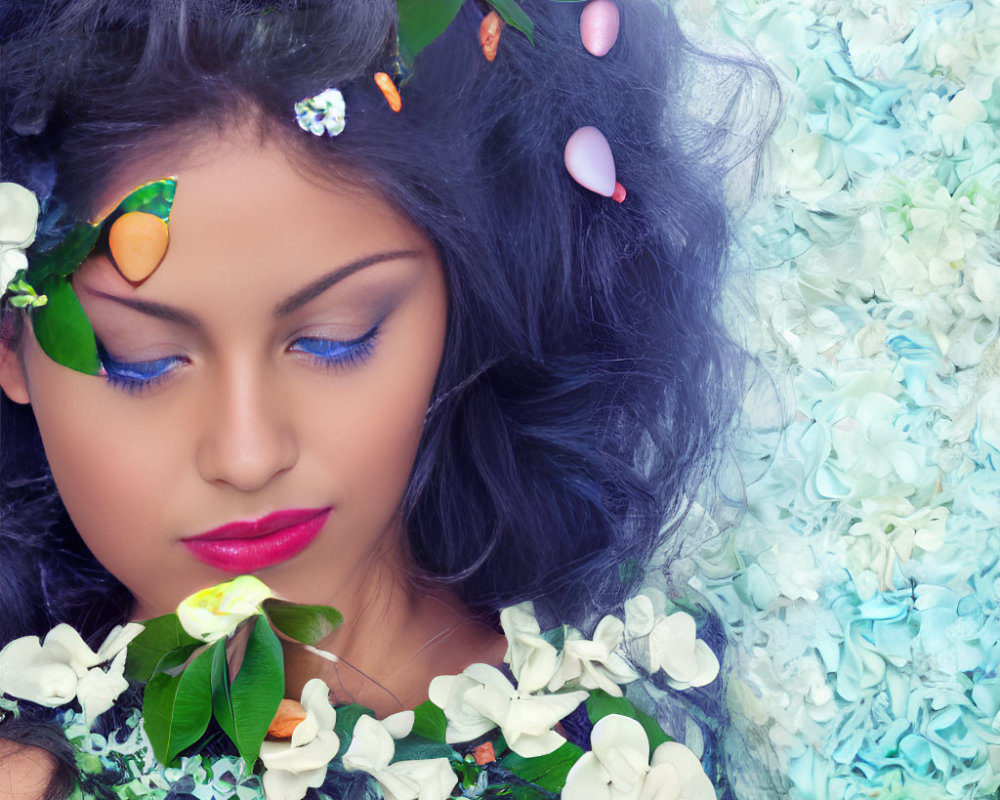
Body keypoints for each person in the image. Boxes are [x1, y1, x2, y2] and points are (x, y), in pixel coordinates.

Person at [0, 1, 760, 797]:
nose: (249, 454)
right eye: (140, 362)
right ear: (11, 344)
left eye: (336, 337)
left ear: (460, 304)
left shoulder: (608, 769)